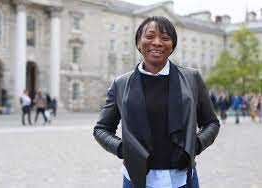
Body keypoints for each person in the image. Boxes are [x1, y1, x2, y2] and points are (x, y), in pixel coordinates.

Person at [93, 16, 220, 188]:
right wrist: (122, 149)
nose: (157, 42)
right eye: (150, 36)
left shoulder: (192, 79)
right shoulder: (121, 84)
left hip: (182, 179)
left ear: (172, 46)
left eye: (165, 38)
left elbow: (211, 123)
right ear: (138, 43)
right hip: (136, 179)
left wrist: (195, 145)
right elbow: (101, 129)